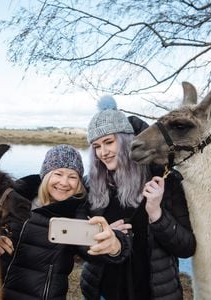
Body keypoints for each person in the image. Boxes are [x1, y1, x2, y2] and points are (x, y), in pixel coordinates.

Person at [78, 96, 196, 300]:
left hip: (154, 294)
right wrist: (101, 234)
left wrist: (157, 214)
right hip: (105, 292)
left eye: (108, 142)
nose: (103, 153)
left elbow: (186, 248)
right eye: (96, 146)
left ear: (125, 141)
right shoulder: (91, 185)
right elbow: (78, 243)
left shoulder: (165, 182)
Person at [0, 144, 128, 300]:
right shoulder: (15, 200)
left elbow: (92, 252)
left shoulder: (77, 212)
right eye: (58, 174)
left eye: (72, 176)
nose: (64, 182)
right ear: (46, 175)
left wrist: (114, 244)